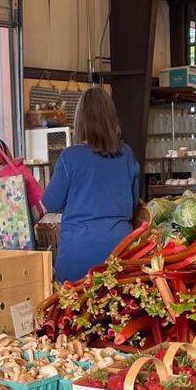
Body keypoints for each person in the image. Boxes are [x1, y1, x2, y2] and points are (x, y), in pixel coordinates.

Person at [40, 88, 140, 282]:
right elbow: (134, 203)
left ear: (80, 120)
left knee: (74, 308)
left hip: (78, 253)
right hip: (120, 251)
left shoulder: (70, 157)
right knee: (120, 308)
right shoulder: (127, 154)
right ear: (112, 118)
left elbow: (50, 203)